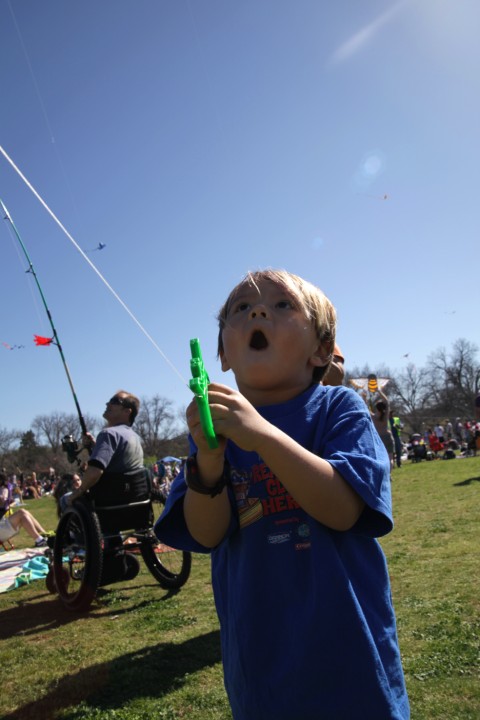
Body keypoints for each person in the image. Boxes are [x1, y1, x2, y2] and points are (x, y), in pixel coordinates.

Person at [155, 269, 409, 720]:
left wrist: (263, 437)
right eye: (240, 308)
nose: (257, 310)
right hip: (260, 664)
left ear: (321, 351)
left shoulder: (339, 407)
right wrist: (209, 466)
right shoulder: (212, 432)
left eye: (282, 305)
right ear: (222, 356)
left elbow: (345, 510)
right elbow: (206, 533)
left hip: (350, 655)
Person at [67, 390, 147, 507]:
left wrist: (79, 491)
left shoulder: (108, 434)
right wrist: (96, 445)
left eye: (115, 401)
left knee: (65, 499)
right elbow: (120, 463)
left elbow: (95, 471)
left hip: (110, 500)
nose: (107, 404)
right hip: (135, 498)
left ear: (127, 411)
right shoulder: (134, 437)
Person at [0, 472, 48, 547]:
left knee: (23, 512)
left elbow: (3, 500)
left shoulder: (3, 489)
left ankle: (45, 535)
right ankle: (40, 540)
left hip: (2, 524)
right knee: (21, 514)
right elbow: (3, 499)